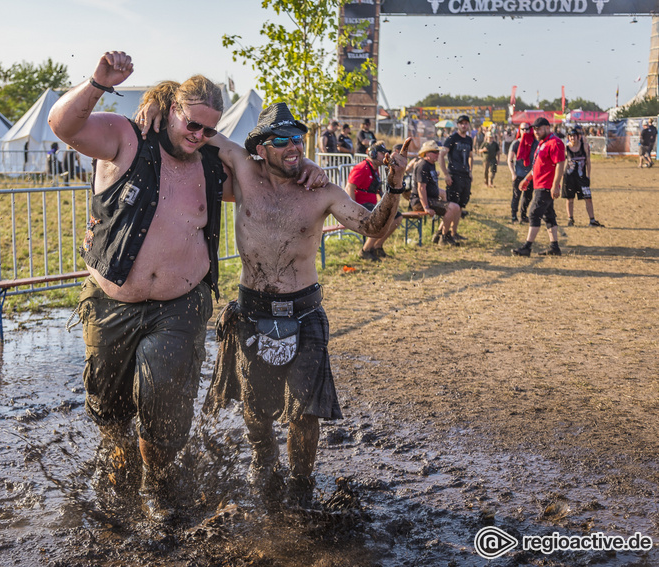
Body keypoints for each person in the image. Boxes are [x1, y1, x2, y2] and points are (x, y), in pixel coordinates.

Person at [48, 51, 325, 523]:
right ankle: (121, 475)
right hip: (112, 302)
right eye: (191, 124)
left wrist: (305, 170)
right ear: (171, 108)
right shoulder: (127, 135)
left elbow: (268, 183)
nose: (197, 136)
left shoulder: (212, 163)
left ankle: (162, 486)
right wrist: (99, 82)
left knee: (165, 404)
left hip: (181, 305)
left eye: (207, 130)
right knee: (110, 411)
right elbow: (63, 125)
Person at [200, 103, 411, 509]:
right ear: (261, 148)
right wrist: (159, 112)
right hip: (253, 309)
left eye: (298, 138)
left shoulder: (322, 191)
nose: (293, 146)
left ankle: (300, 482)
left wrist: (395, 185)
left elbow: (374, 227)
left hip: (304, 310)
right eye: (282, 141)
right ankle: (263, 460)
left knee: (304, 410)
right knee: (256, 407)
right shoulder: (244, 170)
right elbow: (201, 134)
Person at [512, 117, 565, 257]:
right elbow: (536, 166)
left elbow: (560, 164)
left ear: (547, 128)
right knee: (549, 216)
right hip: (539, 184)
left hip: (546, 186)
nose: (536, 132)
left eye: (539, 129)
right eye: (534, 130)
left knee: (534, 214)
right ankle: (554, 247)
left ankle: (527, 247)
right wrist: (527, 179)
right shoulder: (543, 143)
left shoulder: (555, 143)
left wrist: (555, 185)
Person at [344, 140, 403, 260]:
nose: (385, 156)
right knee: (383, 219)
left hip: (371, 204)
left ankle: (377, 246)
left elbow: (378, 191)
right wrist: (352, 209)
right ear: (373, 153)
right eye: (382, 153)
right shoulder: (361, 167)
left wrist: (389, 205)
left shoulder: (374, 169)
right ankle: (366, 250)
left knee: (397, 216)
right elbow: (350, 187)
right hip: (362, 205)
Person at [410, 140, 462, 246]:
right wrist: (426, 207)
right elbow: (421, 189)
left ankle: (439, 234)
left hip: (430, 198)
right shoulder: (423, 165)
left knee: (455, 207)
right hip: (420, 202)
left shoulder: (430, 164)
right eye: (435, 152)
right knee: (453, 207)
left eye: (438, 152)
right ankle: (444, 237)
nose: (438, 154)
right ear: (427, 153)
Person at [564, 127, 603, 227]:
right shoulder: (566, 148)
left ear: (578, 137)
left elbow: (588, 162)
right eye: (571, 136)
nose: (573, 138)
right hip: (569, 177)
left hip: (582, 176)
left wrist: (588, 176)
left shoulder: (584, 146)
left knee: (588, 198)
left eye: (574, 136)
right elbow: (562, 163)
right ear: (568, 137)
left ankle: (592, 220)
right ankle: (570, 219)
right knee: (569, 198)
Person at [439, 114, 474, 222]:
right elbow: (441, 155)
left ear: (468, 125)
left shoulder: (469, 140)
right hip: (454, 175)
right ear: (458, 125)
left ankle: (454, 233)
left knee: (461, 206)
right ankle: (444, 232)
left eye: (466, 123)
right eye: (461, 123)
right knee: (452, 205)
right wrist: (446, 174)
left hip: (465, 176)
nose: (464, 125)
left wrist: (470, 171)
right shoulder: (452, 138)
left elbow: (471, 156)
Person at [507, 122, 536, 224]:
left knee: (528, 196)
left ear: (530, 130)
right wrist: (513, 173)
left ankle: (523, 216)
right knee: (516, 196)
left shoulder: (534, 143)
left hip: (530, 175)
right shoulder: (516, 143)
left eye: (527, 129)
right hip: (518, 174)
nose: (525, 131)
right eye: (523, 129)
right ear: (520, 130)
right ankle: (514, 216)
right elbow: (510, 159)